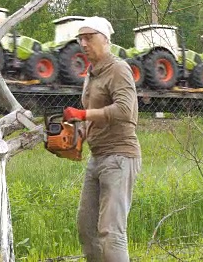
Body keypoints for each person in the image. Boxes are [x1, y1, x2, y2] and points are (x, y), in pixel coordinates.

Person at [62, 16, 142, 262]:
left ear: (105, 39)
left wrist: (84, 114)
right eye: (80, 38)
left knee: (111, 232)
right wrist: (77, 135)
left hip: (120, 156)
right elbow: (93, 115)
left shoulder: (118, 68)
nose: (83, 43)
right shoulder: (92, 73)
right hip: (97, 158)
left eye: (89, 37)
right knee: (87, 228)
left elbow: (124, 110)